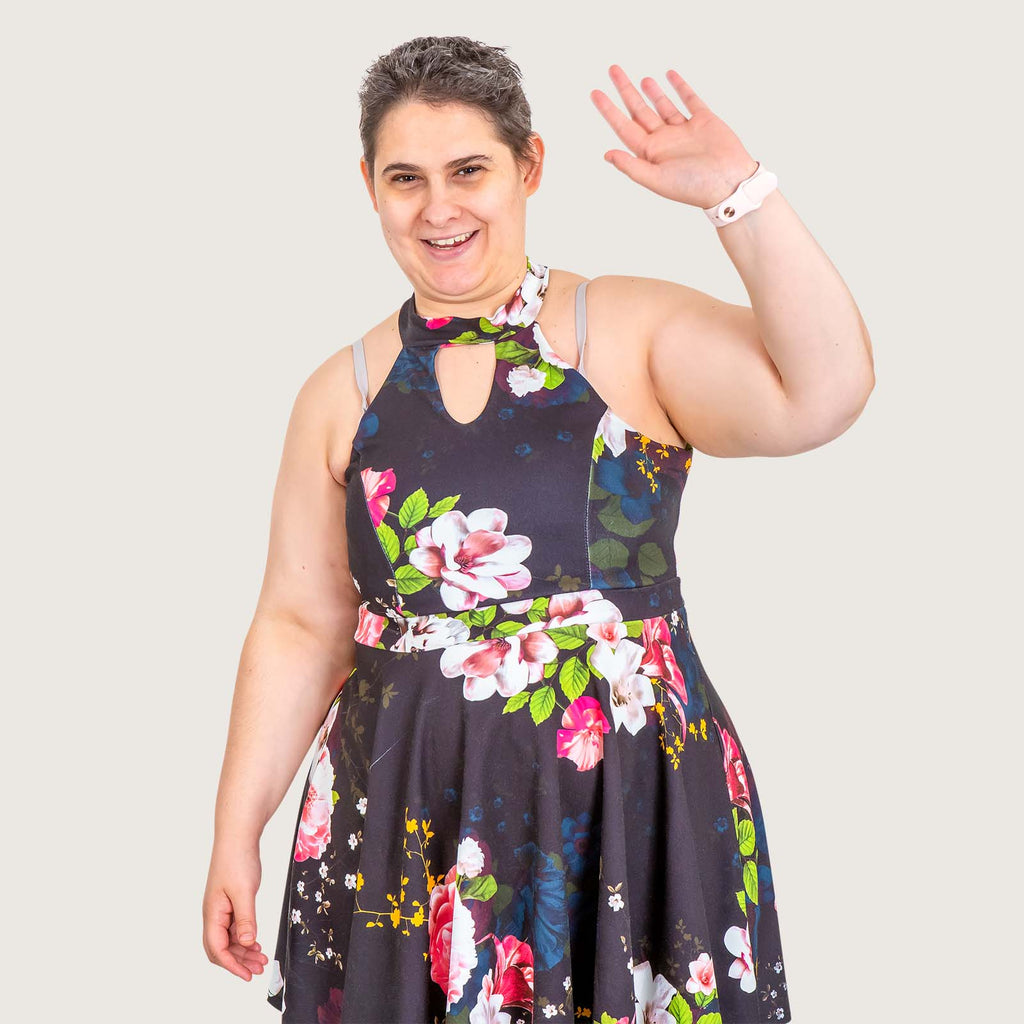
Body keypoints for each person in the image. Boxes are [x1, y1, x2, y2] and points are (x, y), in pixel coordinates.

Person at [202, 35, 874, 1024]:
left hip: (622, 803)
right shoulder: (341, 393)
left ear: (529, 166)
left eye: (468, 169)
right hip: (406, 818)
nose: (439, 208)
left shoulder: (624, 333)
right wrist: (233, 831)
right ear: (369, 186)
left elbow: (820, 391)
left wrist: (739, 194)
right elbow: (301, 625)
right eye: (406, 178)